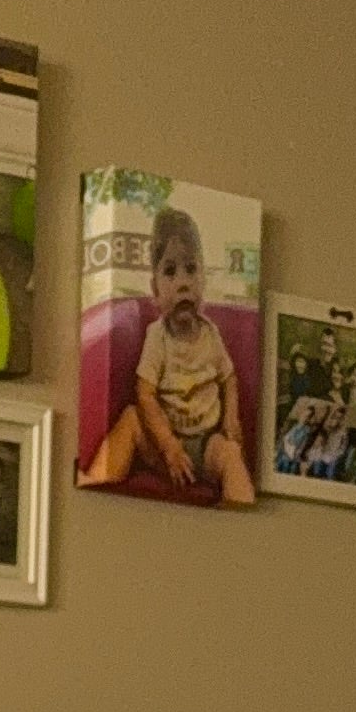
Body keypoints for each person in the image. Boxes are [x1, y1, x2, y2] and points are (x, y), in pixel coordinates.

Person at [81, 202, 253, 504]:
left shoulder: (212, 335)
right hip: (162, 445)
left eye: (191, 269)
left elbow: (229, 378)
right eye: (170, 272)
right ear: (155, 290)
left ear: (204, 279)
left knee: (231, 455)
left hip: (204, 445)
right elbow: (144, 394)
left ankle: (238, 516)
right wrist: (169, 446)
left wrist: (231, 418)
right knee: (132, 418)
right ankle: (95, 480)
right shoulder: (157, 336)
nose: (183, 283)